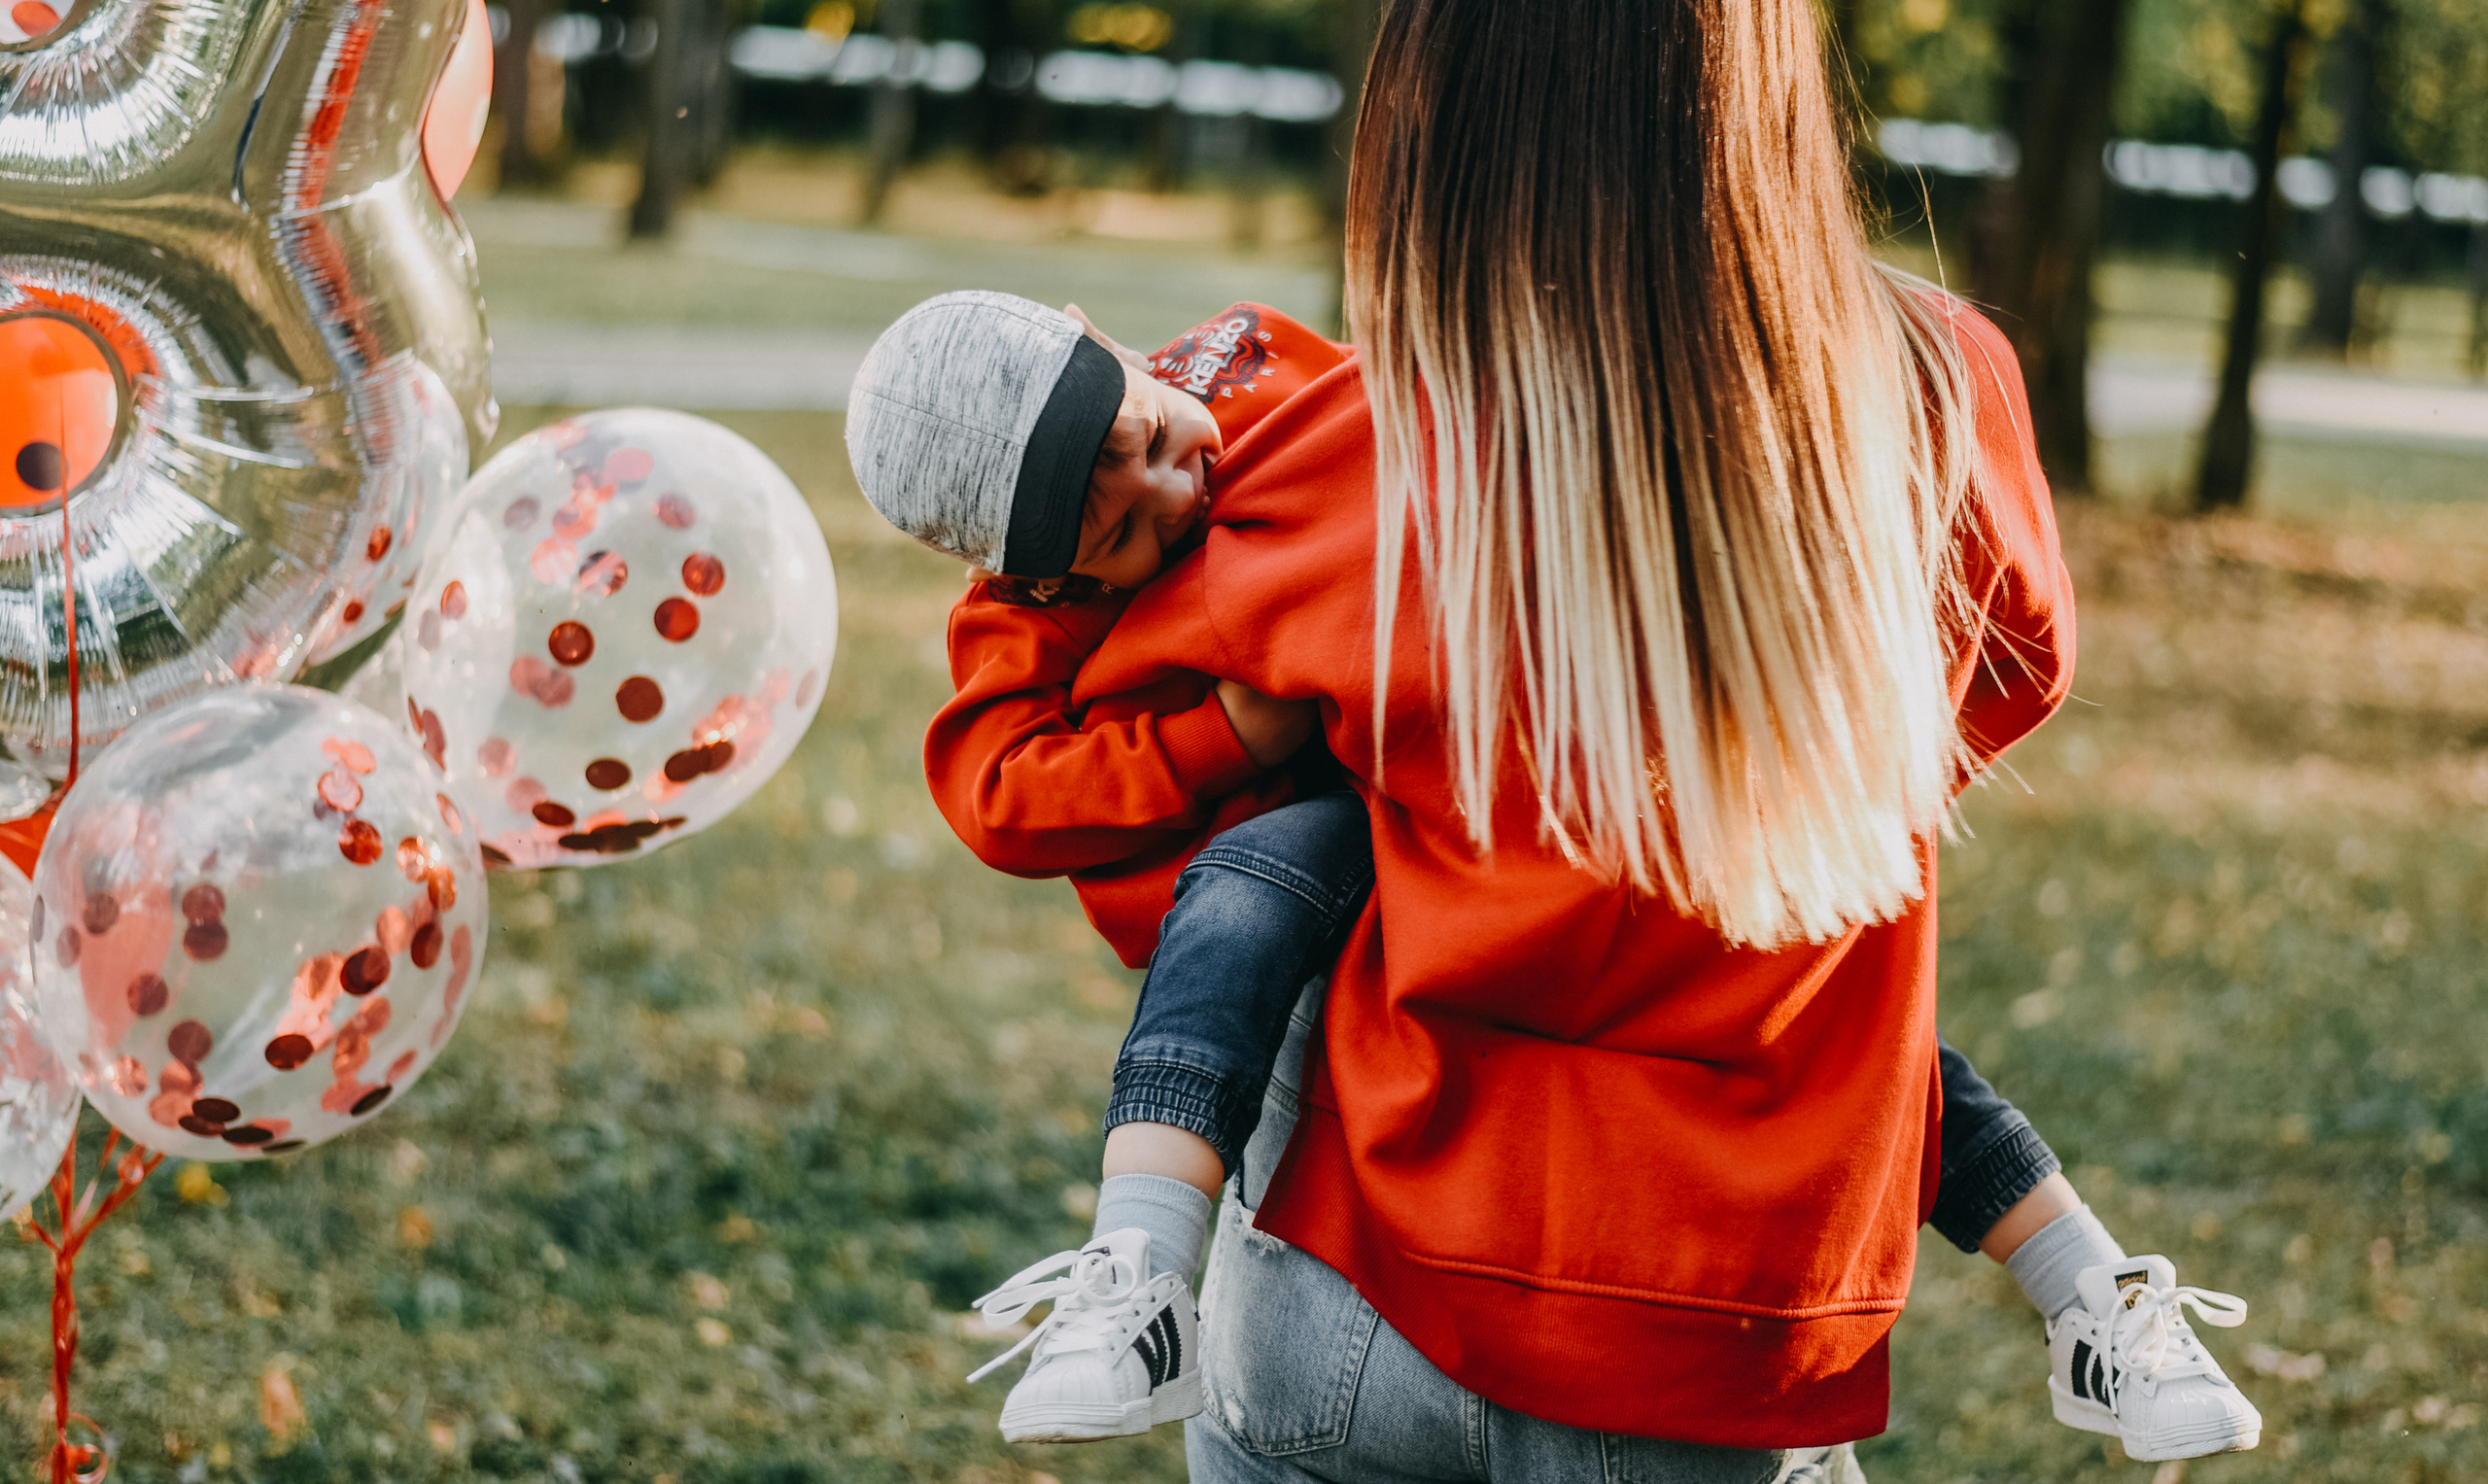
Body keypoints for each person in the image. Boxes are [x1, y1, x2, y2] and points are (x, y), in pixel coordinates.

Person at [847, 270, 2261, 1466]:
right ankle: (1139, 1260)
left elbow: (1418, 461)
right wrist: (1226, 729)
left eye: (1151, 438)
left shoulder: (1254, 362)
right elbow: (998, 787)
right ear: (1038, 581)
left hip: (1501, 792)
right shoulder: (1018, 614)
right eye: (1123, 534)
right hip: (1354, 823)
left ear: (1112, 346)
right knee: (1243, 902)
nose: (1179, 485)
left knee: (1861, 1025)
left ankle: (2099, 1305)